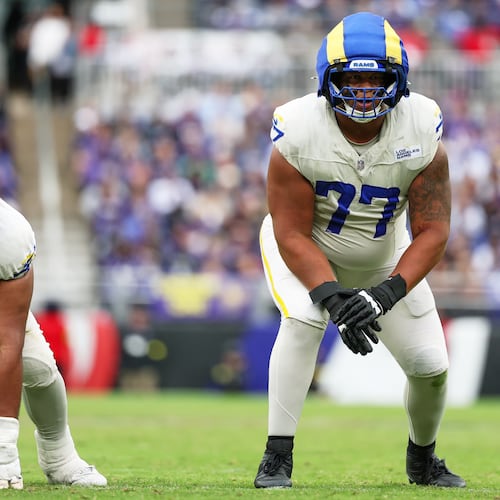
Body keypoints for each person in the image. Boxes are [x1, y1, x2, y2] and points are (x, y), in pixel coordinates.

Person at [254, 12, 466, 489]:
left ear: (400, 79)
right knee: (304, 320)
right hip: (309, 247)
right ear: (329, 79)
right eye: (353, 77)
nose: (365, 90)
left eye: (377, 78)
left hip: (384, 255)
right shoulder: (298, 127)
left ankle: (423, 457)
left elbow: (433, 229)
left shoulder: (421, 127)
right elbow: (290, 232)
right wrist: (333, 298)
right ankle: (277, 456)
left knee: (431, 367)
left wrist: (385, 294)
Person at [0, 197, 107, 489]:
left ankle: (60, 457)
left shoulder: (8, 233)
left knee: (37, 366)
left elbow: (7, 344)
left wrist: (3, 453)